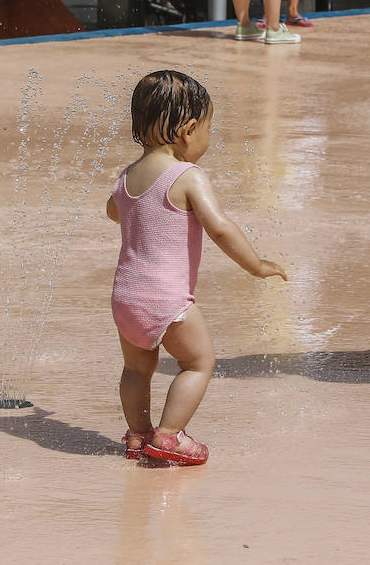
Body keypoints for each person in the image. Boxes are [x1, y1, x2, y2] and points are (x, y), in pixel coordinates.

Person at [107, 70, 288, 464]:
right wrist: (257, 265)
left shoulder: (126, 177)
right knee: (198, 362)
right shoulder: (188, 176)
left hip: (125, 296)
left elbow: (113, 212)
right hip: (167, 299)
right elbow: (220, 228)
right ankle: (169, 437)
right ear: (189, 130)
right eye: (208, 130)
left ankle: (138, 435)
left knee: (136, 369)